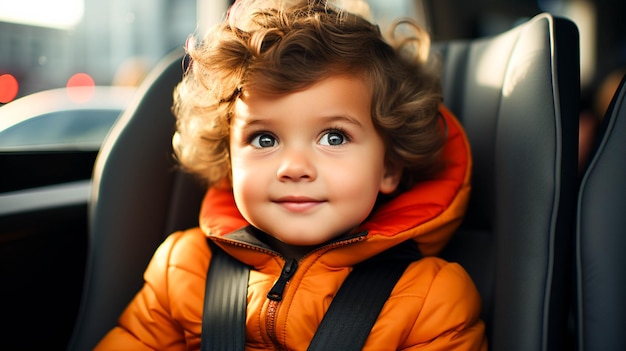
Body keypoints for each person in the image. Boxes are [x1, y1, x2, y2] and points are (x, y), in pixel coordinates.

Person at [95, 0, 487, 349]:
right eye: (264, 139)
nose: (294, 168)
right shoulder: (182, 270)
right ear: (229, 161)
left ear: (389, 167)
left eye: (334, 137)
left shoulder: (431, 299)